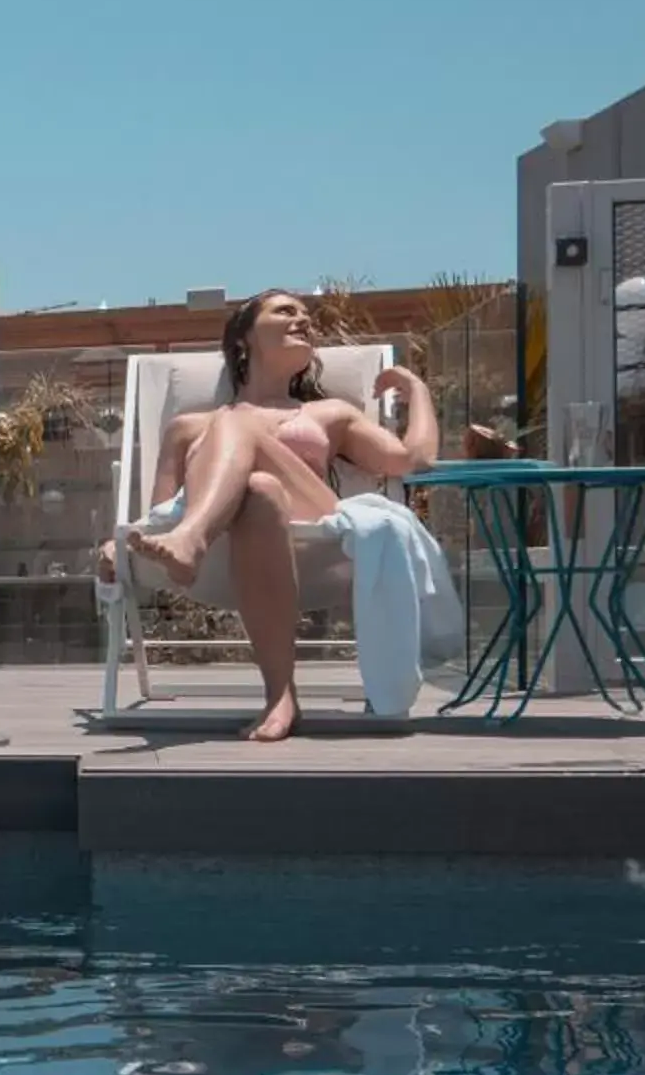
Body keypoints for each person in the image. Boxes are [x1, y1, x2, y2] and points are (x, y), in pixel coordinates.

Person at [97, 289, 438, 741]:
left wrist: (418, 389)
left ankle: (192, 539)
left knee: (236, 423)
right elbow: (159, 516)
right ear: (244, 339)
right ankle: (281, 695)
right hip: (231, 543)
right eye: (285, 311)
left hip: (317, 538)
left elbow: (411, 459)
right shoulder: (186, 428)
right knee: (258, 487)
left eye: (305, 314)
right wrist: (116, 542)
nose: (303, 320)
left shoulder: (329, 414)